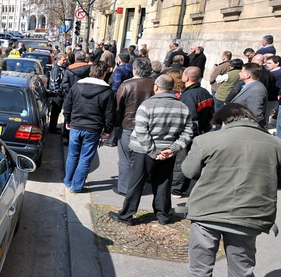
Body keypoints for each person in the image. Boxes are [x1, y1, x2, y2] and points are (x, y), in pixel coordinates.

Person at [173, 103, 281, 277]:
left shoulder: (208, 140)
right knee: (242, 264)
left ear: (223, 121)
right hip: (250, 215)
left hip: (207, 212)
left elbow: (188, 171)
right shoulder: (275, 144)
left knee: (200, 265)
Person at [109, 75, 193, 225]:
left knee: (136, 183)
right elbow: (187, 133)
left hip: (144, 151)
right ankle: (163, 215)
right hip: (167, 151)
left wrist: (153, 152)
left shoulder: (147, 105)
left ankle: (126, 215)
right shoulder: (182, 107)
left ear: (156, 87)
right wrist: (173, 149)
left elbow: (141, 131)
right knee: (163, 184)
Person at [62, 61, 115, 193]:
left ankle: (68, 181)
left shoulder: (76, 86)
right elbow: (110, 114)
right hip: (93, 129)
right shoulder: (107, 92)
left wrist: (68, 120)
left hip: (76, 125)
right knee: (85, 159)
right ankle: (76, 186)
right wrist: (108, 130)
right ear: (103, 74)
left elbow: (67, 105)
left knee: (72, 155)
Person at [113, 57, 155, 196]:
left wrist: (115, 125)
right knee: (141, 158)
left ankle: (125, 188)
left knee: (125, 158)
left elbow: (118, 108)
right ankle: (137, 185)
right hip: (149, 126)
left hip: (128, 125)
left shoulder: (127, 85)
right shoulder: (155, 84)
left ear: (135, 70)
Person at [171, 67, 213, 198]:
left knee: (181, 161)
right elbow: (211, 114)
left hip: (189, 133)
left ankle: (177, 189)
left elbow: (190, 118)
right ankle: (182, 186)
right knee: (190, 160)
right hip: (201, 131)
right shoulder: (205, 92)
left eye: (183, 74)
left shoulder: (189, 95)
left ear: (187, 78)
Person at [229, 62, 268, 127]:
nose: (239, 73)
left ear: (248, 75)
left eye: (242, 71)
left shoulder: (256, 90)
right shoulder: (248, 86)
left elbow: (255, 113)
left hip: (245, 126)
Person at [48, 53, 68, 134]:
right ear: (59, 60)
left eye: (65, 60)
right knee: (55, 111)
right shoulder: (56, 69)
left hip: (59, 94)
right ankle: (52, 128)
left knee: (57, 111)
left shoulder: (62, 68)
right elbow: (54, 82)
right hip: (57, 95)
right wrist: (59, 92)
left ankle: (54, 126)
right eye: (64, 60)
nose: (65, 61)